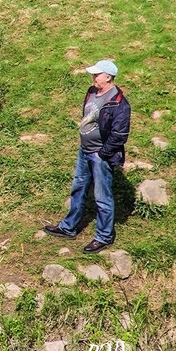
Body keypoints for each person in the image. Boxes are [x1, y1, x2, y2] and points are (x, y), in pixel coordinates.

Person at [44, 59, 130, 253]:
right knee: (78, 188)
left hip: (100, 156)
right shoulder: (92, 92)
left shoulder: (119, 104)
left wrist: (102, 153)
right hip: (84, 151)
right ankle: (68, 228)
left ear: (108, 77)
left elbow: (120, 135)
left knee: (102, 197)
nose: (93, 77)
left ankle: (104, 237)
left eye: (97, 74)